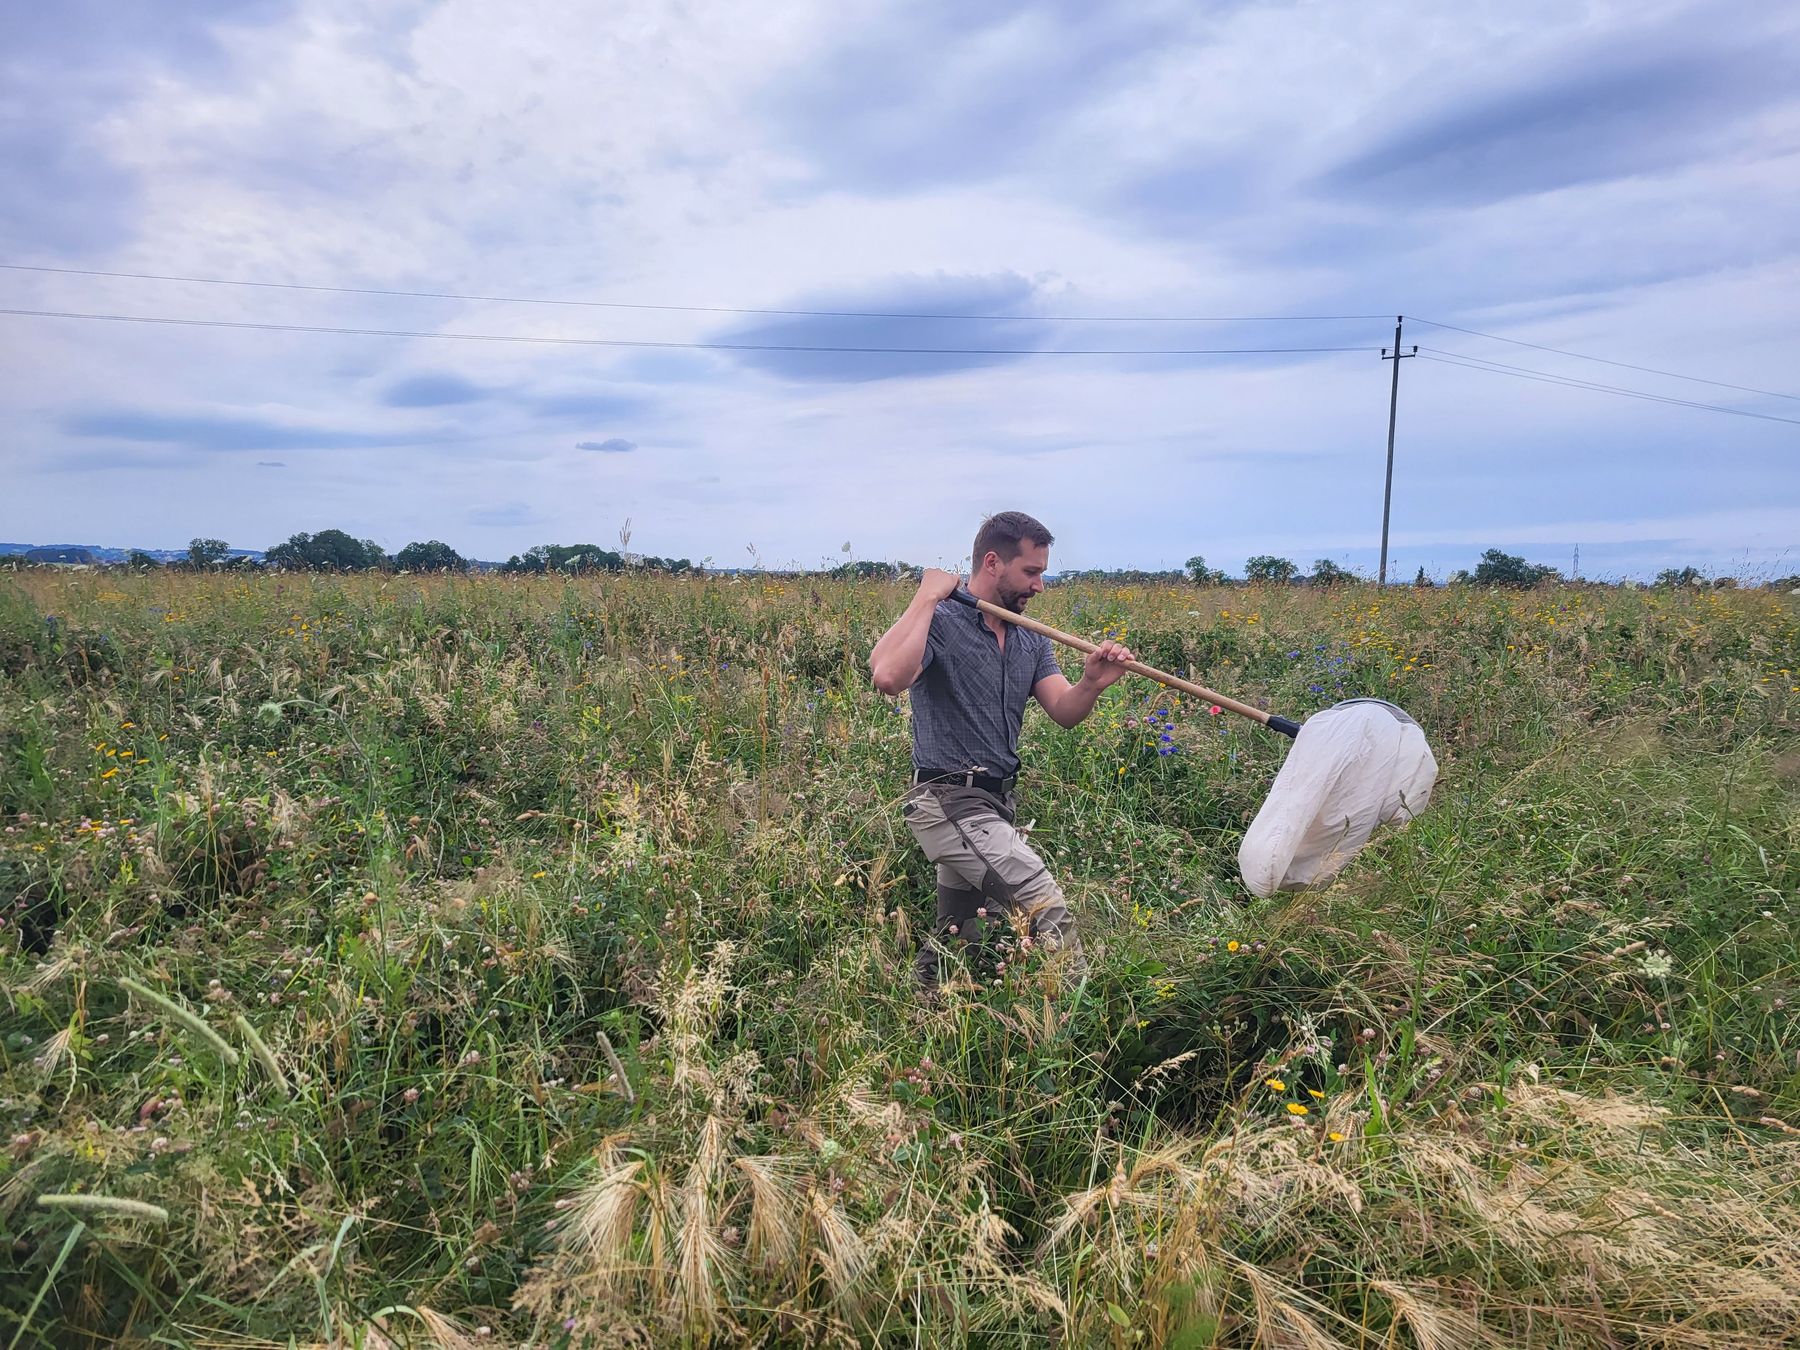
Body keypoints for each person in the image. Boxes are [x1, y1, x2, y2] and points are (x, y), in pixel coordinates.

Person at [868, 511, 1136, 993]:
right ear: (992, 562)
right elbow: (887, 676)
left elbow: (1064, 710)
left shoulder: (1030, 636)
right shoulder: (941, 620)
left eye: (1042, 572)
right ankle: (1081, 1021)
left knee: (958, 936)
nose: (1040, 584)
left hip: (995, 806)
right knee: (1043, 904)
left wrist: (1092, 683)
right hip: (947, 803)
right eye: (1031, 572)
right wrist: (926, 594)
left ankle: (922, 1012)